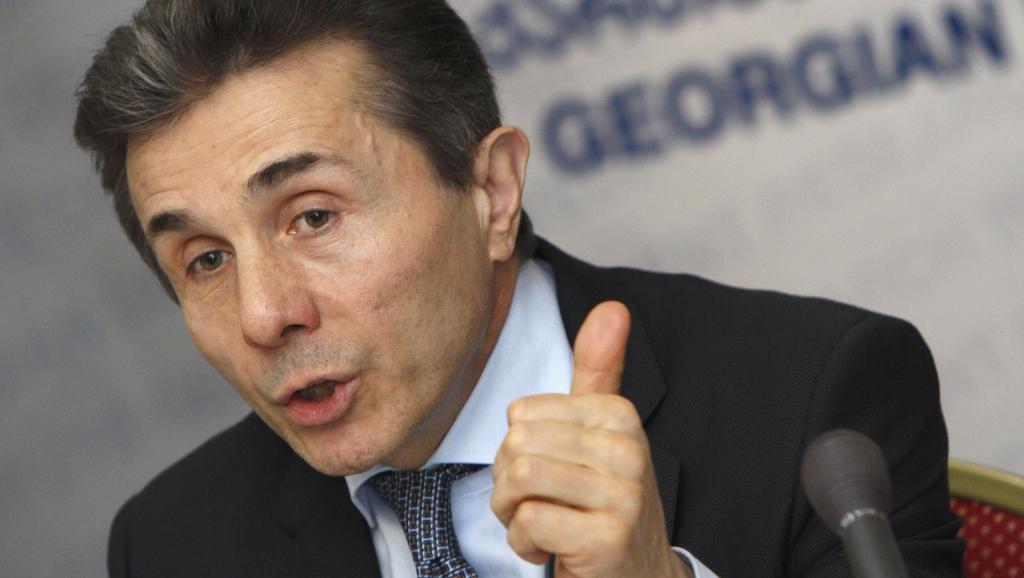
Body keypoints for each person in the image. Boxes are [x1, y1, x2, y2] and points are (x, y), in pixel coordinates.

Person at [74, 1, 964, 576]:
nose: (266, 315)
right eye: (205, 260)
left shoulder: (813, 405)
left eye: (313, 216)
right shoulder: (173, 543)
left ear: (493, 193)